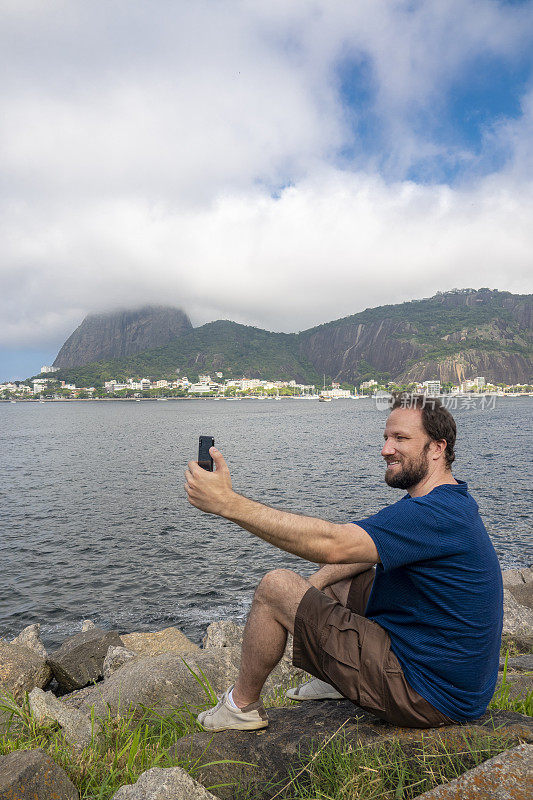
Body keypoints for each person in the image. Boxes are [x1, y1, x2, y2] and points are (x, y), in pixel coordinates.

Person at [184, 393, 503, 732]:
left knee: (275, 586)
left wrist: (228, 504)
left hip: (428, 694)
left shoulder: (432, 515)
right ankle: (339, 681)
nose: (386, 449)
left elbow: (333, 544)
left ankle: (241, 707)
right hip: (443, 675)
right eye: (386, 438)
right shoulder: (448, 503)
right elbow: (353, 554)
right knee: (340, 576)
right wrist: (313, 589)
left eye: (401, 439)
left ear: (437, 448)